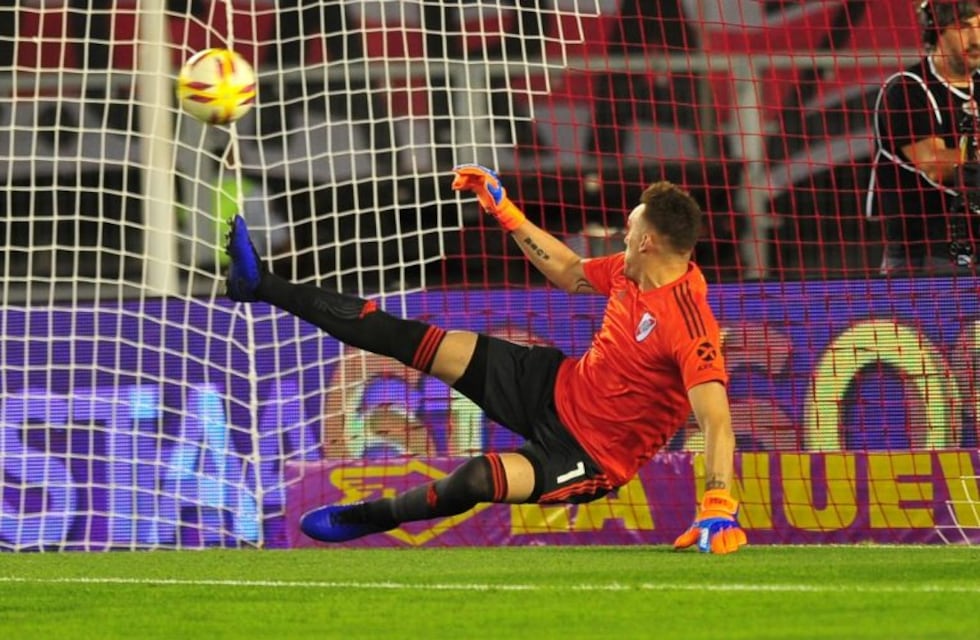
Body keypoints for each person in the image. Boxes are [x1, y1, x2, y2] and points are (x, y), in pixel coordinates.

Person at [224, 164, 747, 554]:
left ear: (649, 243)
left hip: (590, 456)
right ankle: (261, 284)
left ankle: (370, 516)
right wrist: (505, 210)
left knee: (476, 479)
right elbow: (567, 271)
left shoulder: (689, 322)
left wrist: (718, 502)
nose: (622, 237)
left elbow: (716, 421)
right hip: (553, 386)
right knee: (409, 339)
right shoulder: (633, 271)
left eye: (629, 232)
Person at [866, 0, 980, 274]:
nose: (976, 39)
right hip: (924, 251)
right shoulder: (906, 89)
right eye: (963, 28)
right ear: (935, 31)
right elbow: (935, 164)